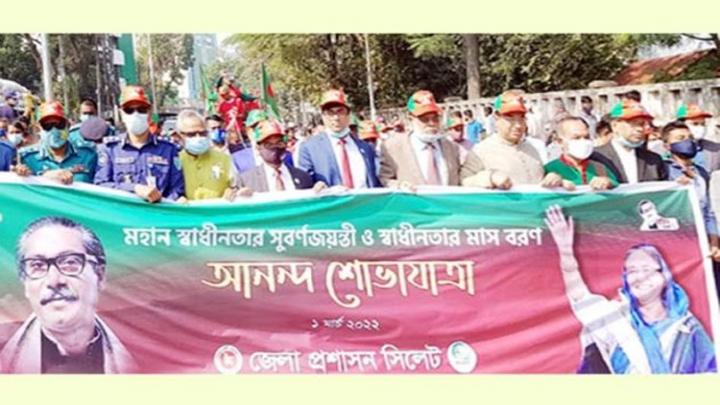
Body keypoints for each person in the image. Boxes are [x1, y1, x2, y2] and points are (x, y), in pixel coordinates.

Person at [545, 205, 716, 374]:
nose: (641, 277)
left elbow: (711, 372)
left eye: (647, 269)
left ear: (664, 277)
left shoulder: (686, 325)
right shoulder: (614, 318)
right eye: (632, 271)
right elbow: (579, 296)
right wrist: (566, 252)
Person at [0, 217, 136, 373]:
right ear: (25, 283)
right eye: (37, 266)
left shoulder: (146, 347)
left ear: (99, 275)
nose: (54, 281)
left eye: (69, 263)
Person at [94, 85, 184, 202]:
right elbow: (101, 185)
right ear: (122, 114)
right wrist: (134, 188)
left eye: (141, 109)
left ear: (149, 113)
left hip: (159, 211)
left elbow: (177, 188)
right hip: (122, 211)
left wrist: (161, 202)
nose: (135, 114)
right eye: (129, 110)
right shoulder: (110, 149)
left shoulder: (169, 149)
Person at [460, 91, 551, 189]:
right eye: (510, 119)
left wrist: (552, 178)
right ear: (496, 117)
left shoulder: (532, 148)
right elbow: (463, 181)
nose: (518, 125)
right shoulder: (481, 151)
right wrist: (489, 177)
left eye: (521, 118)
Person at [379, 90, 462, 189]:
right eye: (424, 119)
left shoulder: (451, 148)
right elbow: (385, 179)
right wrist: (399, 186)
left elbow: (460, 180)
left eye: (435, 118)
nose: (431, 123)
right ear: (410, 118)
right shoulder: (393, 148)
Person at [298, 89, 380, 188]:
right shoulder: (309, 149)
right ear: (323, 116)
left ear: (348, 115)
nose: (336, 118)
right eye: (330, 113)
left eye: (340, 112)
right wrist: (317, 187)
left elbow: (377, 180)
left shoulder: (365, 148)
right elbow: (305, 184)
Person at [15, 101, 98, 184]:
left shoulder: (88, 155)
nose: (54, 130)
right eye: (47, 126)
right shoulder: (28, 159)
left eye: (59, 125)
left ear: (68, 126)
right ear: (39, 129)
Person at [232, 120, 319, 195]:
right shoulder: (246, 180)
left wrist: (321, 192)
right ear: (258, 148)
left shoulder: (303, 177)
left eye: (279, 143)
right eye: (268, 144)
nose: (275, 147)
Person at [593, 100, 666, 184]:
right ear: (615, 125)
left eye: (642, 124)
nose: (640, 129)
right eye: (634, 123)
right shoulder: (596, 157)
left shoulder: (653, 160)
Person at [543, 116, 618, 190]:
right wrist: (553, 182)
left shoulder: (600, 168)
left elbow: (618, 186)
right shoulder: (550, 169)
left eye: (586, 137)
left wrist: (608, 182)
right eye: (576, 138)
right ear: (560, 141)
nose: (583, 141)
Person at [176, 110, 235, 200]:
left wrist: (232, 191)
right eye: (191, 134)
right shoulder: (176, 161)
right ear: (180, 136)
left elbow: (237, 187)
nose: (198, 138)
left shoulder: (224, 159)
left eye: (202, 133)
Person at [676, 103, 720, 173]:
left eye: (703, 124)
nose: (701, 128)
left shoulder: (716, 149)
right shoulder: (665, 150)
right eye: (695, 124)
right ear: (681, 125)